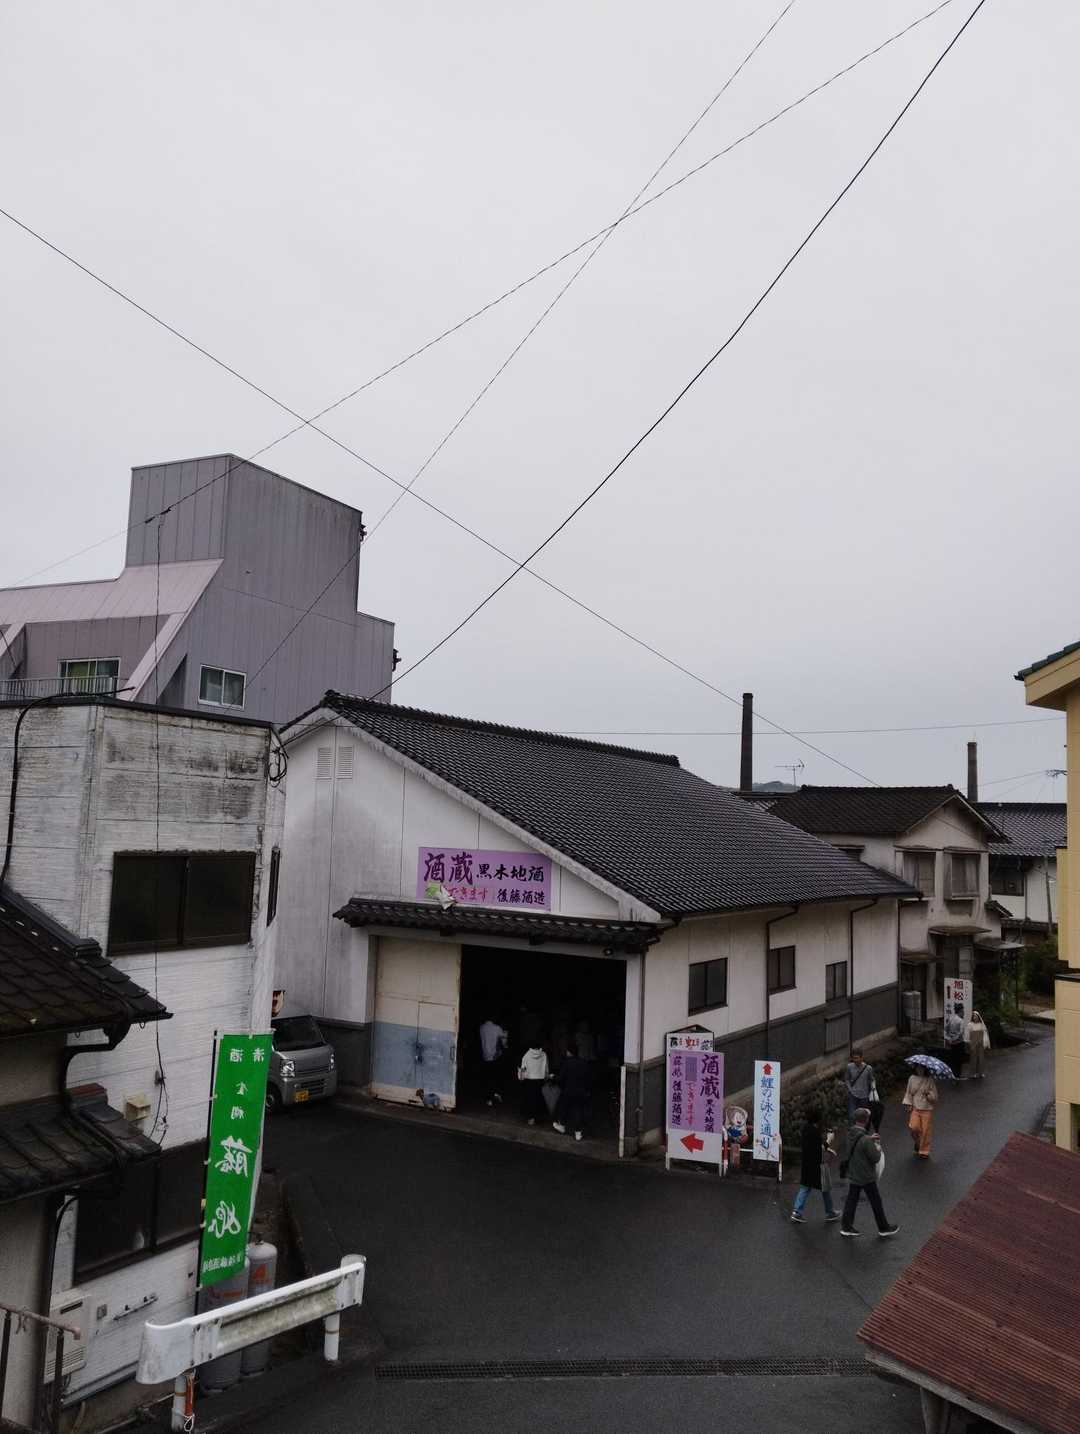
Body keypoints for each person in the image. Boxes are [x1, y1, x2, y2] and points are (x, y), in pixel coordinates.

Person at [840, 1108, 899, 1238]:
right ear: (866, 1120)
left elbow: (858, 1144)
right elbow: (876, 1158)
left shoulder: (850, 1134)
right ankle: (883, 1228)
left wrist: (869, 1139)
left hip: (854, 1173)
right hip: (866, 1176)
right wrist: (877, 1146)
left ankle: (846, 1227)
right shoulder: (866, 1140)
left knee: (851, 1200)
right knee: (876, 1201)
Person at [790, 1106, 840, 1223]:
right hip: (817, 1163)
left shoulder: (806, 1128)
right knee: (825, 1187)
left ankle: (797, 1211)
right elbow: (819, 1148)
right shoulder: (814, 1131)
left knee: (805, 1186)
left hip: (807, 1162)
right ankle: (830, 1212)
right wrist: (829, 1140)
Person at [553, 1039, 591, 1141]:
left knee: (562, 1107)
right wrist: (587, 1090)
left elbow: (561, 1078)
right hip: (581, 1092)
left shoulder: (567, 1063)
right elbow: (588, 1078)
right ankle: (578, 1133)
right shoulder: (584, 1063)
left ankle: (562, 1125)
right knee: (577, 1111)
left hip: (568, 1091)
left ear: (569, 1052)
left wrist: (553, 1077)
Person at [902, 1065, 939, 1158]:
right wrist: (908, 1104)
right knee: (914, 1127)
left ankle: (924, 1151)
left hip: (927, 1109)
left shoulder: (929, 1080)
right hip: (915, 1108)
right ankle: (918, 1142)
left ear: (925, 1068)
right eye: (918, 1067)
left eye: (922, 1068)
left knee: (925, 1131)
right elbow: (908, 1093)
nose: (920, 1069)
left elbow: (935, 1097)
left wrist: (928, 1094)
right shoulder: (912, 1078)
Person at [478, 1016, 508, 1106]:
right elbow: (504, 1042)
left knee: (487, 1077)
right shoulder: (497, 1028)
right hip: (495, 1056)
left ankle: (489, 1098)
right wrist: (505, 1034)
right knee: (496, 1077)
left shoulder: (482, 1027)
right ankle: (495, 1094)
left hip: (485, 1056)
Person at [517, 1041, 549, 1126]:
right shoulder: (544, 1054)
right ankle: (539, 1117)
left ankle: (531, 1118)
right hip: (540, 1079)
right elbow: (546, 1068)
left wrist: (521, 1078)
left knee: (530, 1099)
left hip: (529, 1080)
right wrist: (546, 1077)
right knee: (538, 1098)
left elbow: (523, 1069)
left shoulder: (526, 1055)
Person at [845, 1049, 875, 1121]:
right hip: (853, 1095)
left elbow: (872, 1079)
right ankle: (854, 1126)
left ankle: (862, 1127)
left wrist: (873, 1087)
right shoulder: (849, 1067)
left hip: (864, 1096)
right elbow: (847, 1079)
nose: (855, 1060)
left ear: (861, 1058)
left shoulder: (868, 1068)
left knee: (863, 1116)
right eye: (853, 1058)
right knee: (851, 1116)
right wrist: (850, 1089)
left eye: (857, 1058)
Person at [967, 1010, 990, 1079]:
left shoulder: (981, 1024)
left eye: (976, 1016)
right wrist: (968, 1042)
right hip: (973, 1043)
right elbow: (967, 1034)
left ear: (978, 1017)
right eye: (973, 1016)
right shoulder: (970, 1024)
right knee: (973, 1058)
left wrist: (986, 1043)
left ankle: (981, 1072)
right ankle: (973, 1073)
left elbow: (985, 1034)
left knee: (981, 1058)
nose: (975, 1017)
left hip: (980, 1043)